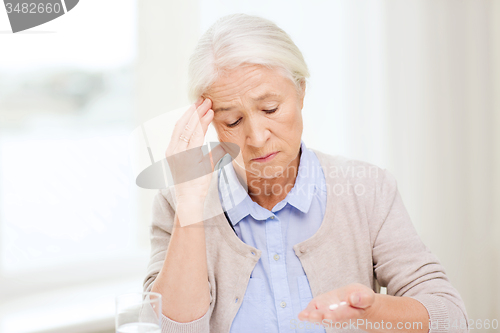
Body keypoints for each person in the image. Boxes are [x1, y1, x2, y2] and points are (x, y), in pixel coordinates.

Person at [143, 13, 469, 333]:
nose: (256, 138)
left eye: (270, 109)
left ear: (300, 91)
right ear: (209, 122)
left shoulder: (367, 189)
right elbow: (164, 329)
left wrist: (373, 310)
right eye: (233, 121)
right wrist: (189, 207)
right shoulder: (177, 203)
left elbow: (451, 319)